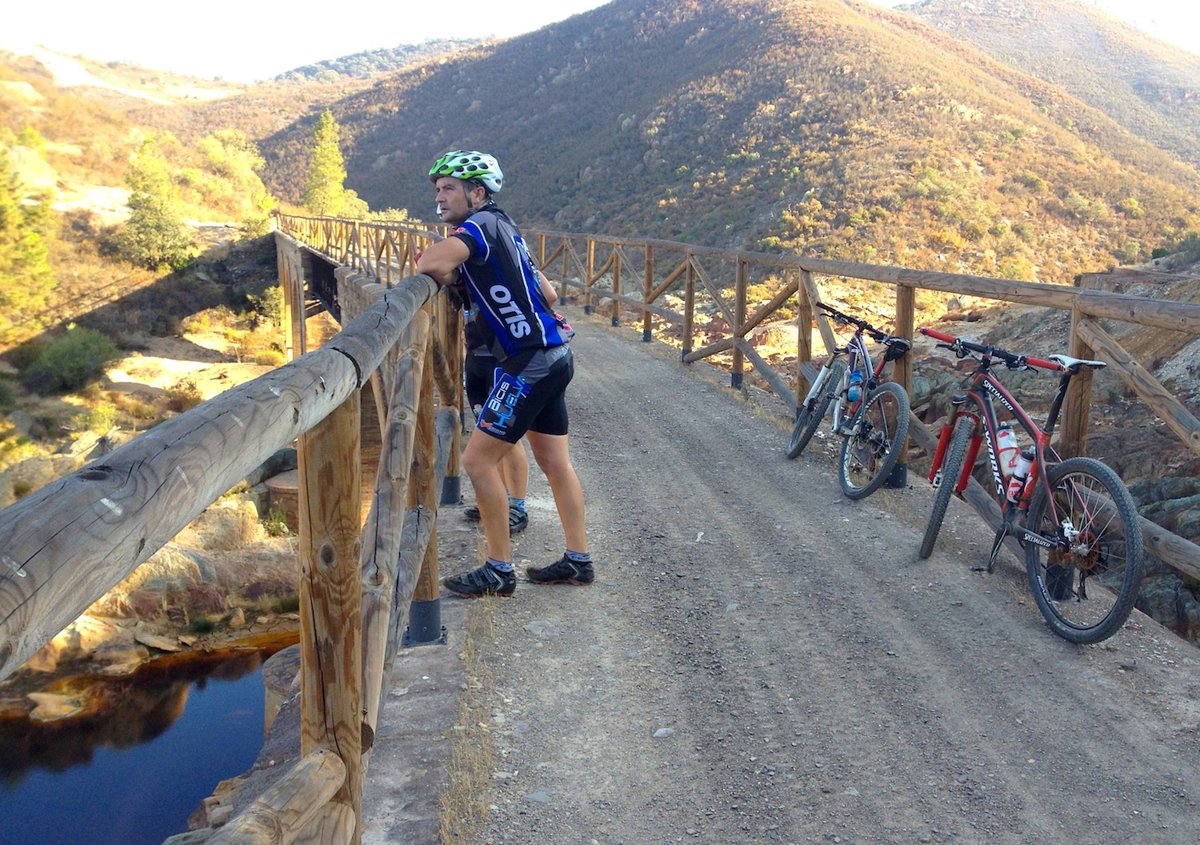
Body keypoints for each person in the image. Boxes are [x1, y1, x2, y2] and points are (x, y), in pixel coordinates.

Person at [416, 150, 592, 597]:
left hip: (529, 362)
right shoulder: (505, 227)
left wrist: (450, 267)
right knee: (555, 463)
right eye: (437, 189)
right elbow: (547, 293)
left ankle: (498, 569)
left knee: (477, 461)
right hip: (554, 353)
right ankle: (578, 560)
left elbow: (429, 264)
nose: (440, 197)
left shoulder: (477, 226)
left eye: (449, 188)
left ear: (477, 193)